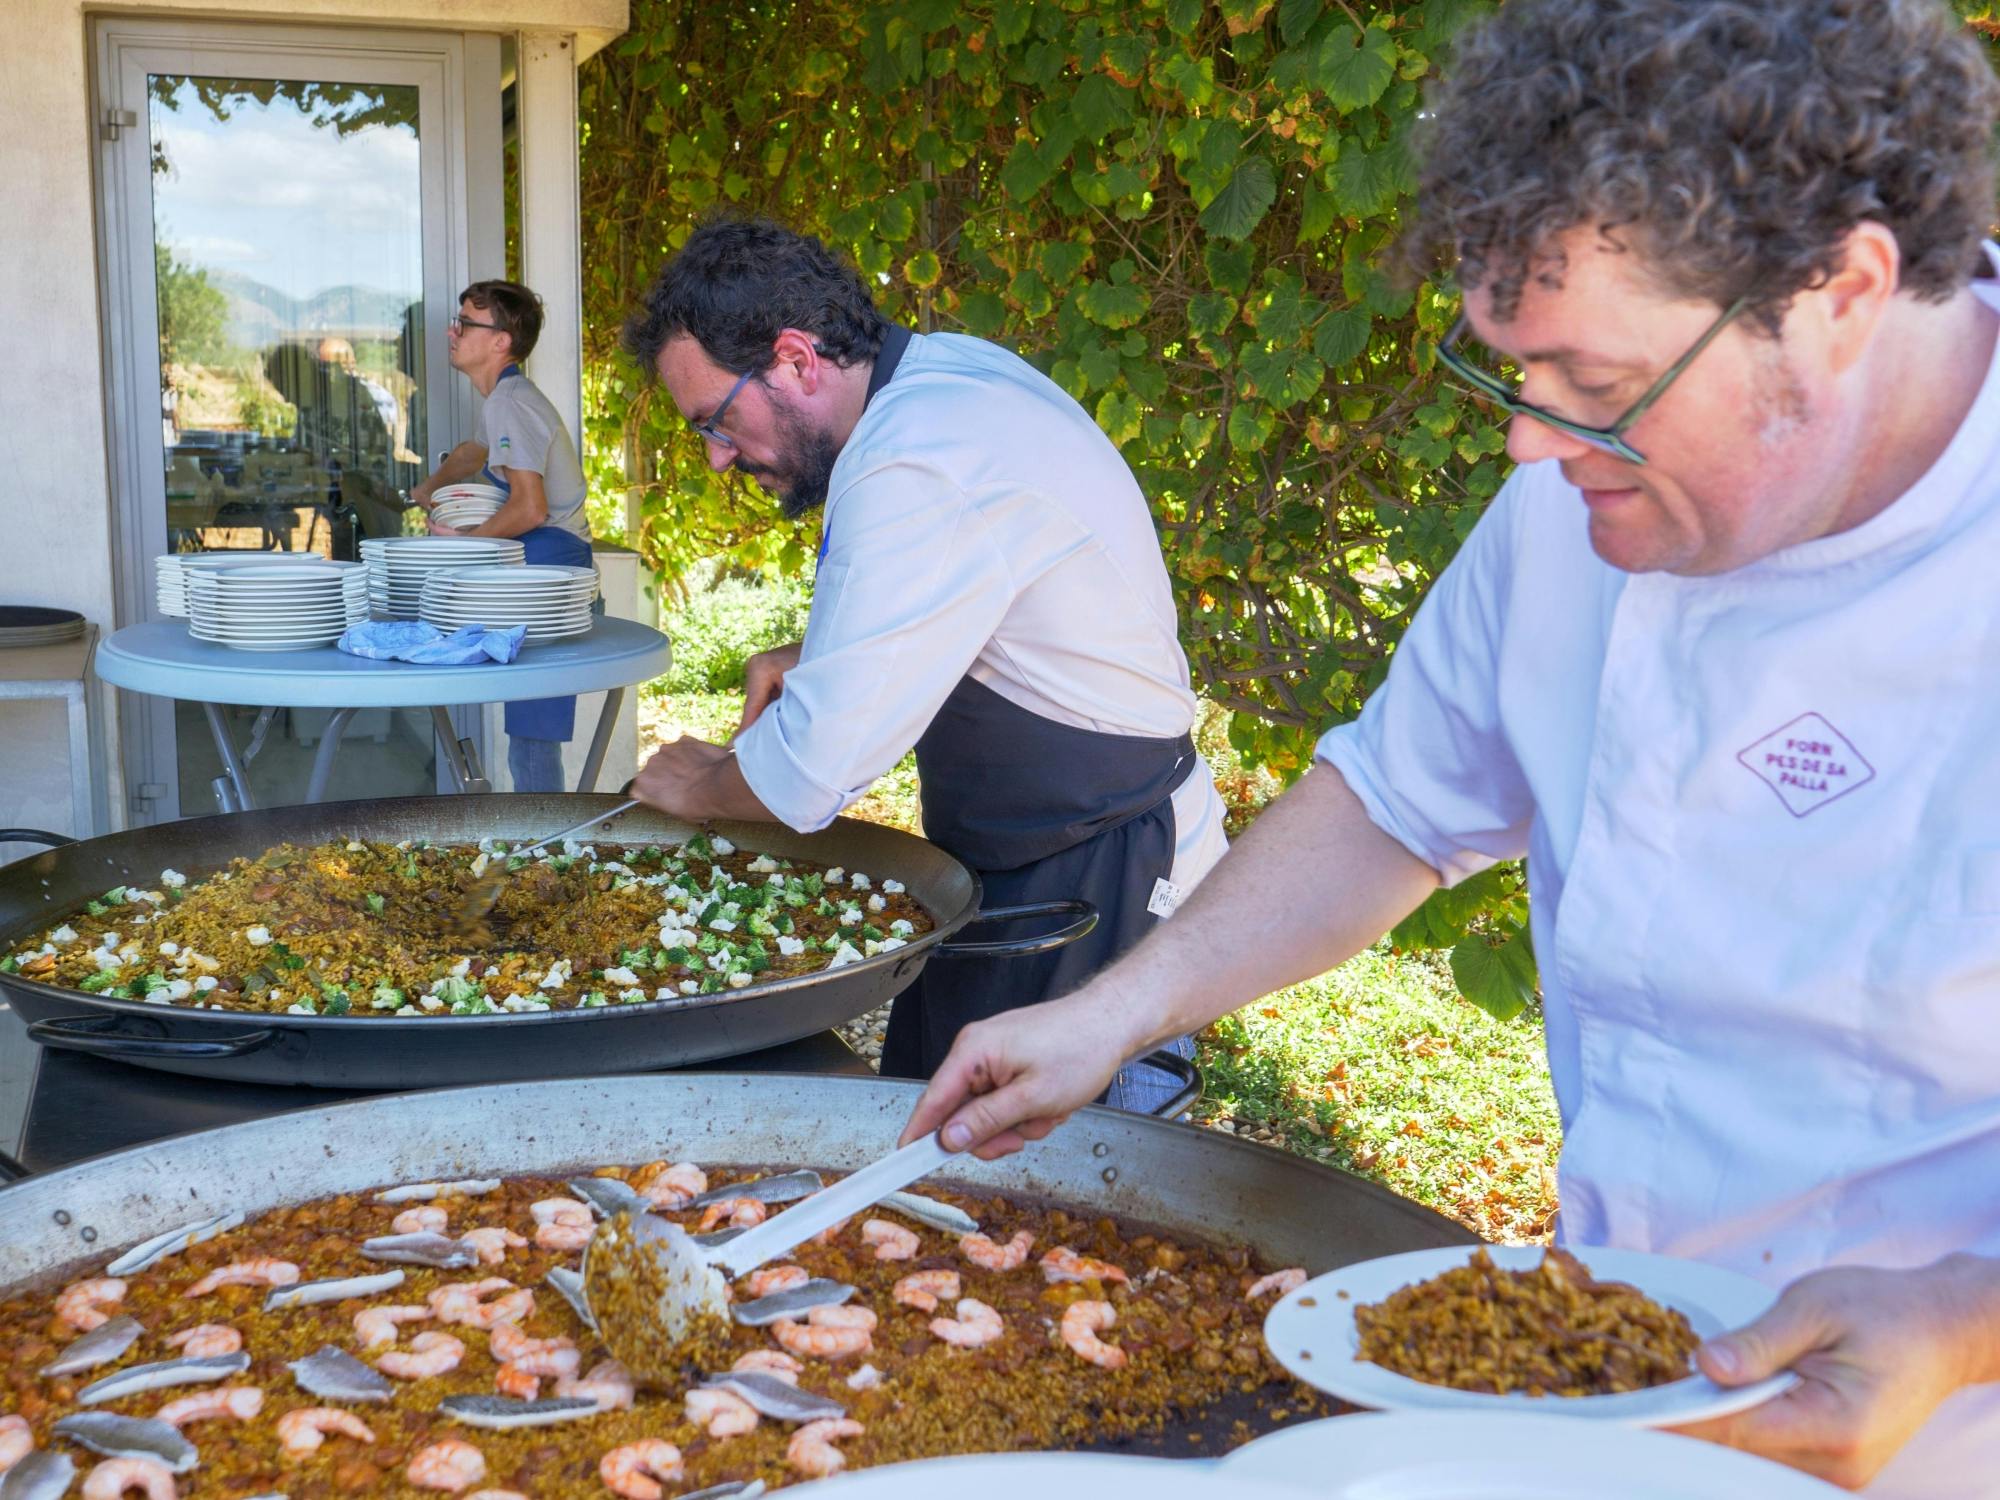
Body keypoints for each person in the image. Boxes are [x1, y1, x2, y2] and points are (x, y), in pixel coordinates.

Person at [902, 0, 2000, 1491]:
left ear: (1844, 294)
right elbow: (1398, 803)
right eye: (1513, 370)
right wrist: (1120, 1008)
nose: (1529, 446)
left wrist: (1960, 1317)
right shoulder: (1572, 499)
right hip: (1616, 1376)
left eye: (1600, 389)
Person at [620, 219, 1230, 1111]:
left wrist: (700, 783)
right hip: (1026, 860)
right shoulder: (945, 377)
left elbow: (809, 774)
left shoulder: (917, 455)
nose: (717, 454)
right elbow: (982, 589)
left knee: (1047, 1213)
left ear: (795, 359)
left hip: (1104, 880)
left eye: (718, 419)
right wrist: (818, 655)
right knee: (937, 1169)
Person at [412, 280, 595, 791]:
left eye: (467, 323)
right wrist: (431, 484)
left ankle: (542, 848)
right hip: (541, 561)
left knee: (533, 735)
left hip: (551, 564)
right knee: (528, 729)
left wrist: (468, 546)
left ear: (500, 341)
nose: (454, 331)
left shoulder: (511, 401)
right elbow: (477, 449)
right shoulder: (503, 398)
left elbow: (530, 507)